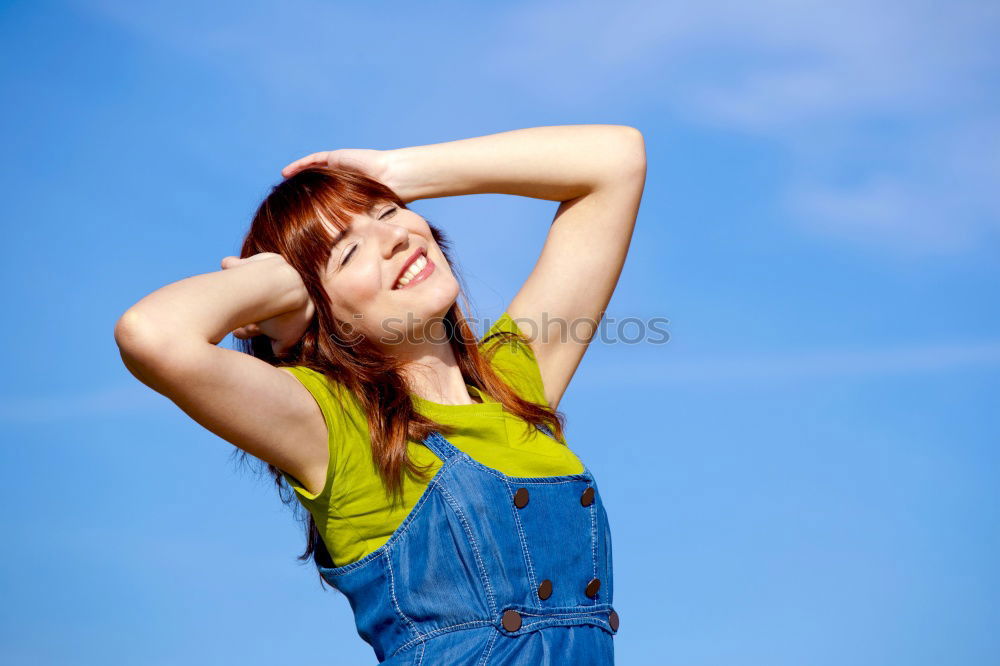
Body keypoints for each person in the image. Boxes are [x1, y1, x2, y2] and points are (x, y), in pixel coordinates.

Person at [114, 124, 647, 664]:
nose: (394, 238)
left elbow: (614, 160)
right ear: (319, 315)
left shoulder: (512, 385)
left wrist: (397, 173)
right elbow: (152, 335)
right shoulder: (334, 426)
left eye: (389, 214)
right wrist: (278, 284)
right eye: (347, 255)